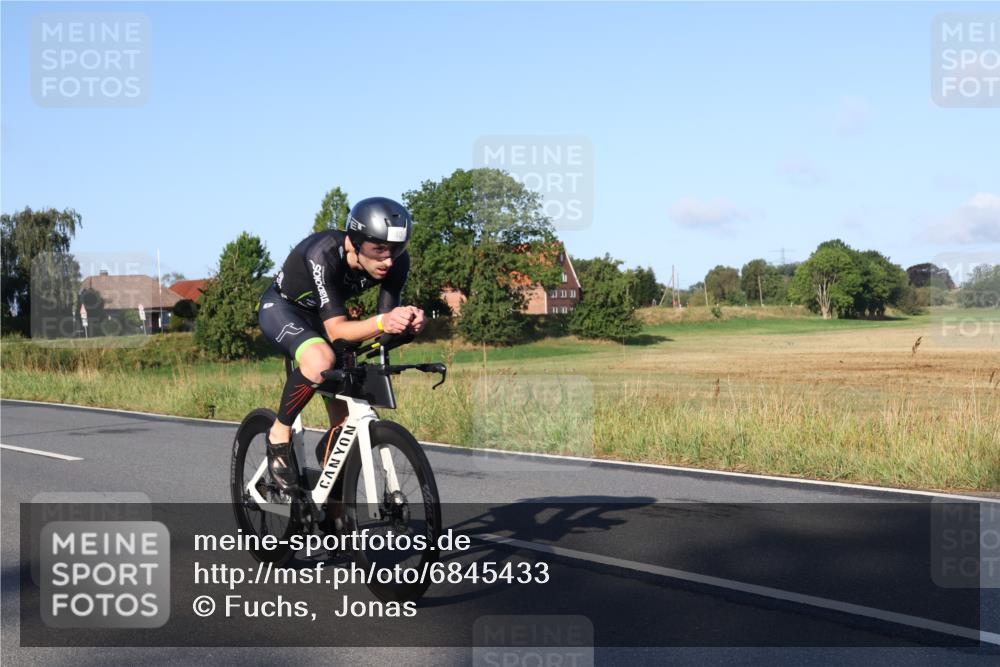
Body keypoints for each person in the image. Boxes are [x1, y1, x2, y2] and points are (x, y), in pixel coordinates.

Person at [257, 197, 425, 493]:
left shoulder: (396, 263)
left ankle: (332, 511)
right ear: (353, 242)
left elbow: (380, 330)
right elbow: (338, 332)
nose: (388, 259)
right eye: (378, 249)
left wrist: (406, 328)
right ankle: (279, 434)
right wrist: (385, 321)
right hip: (284, 309)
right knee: (321, 359)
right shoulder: (322, 253)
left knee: (346, 425)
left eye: (396, 249)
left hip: (327, 317)